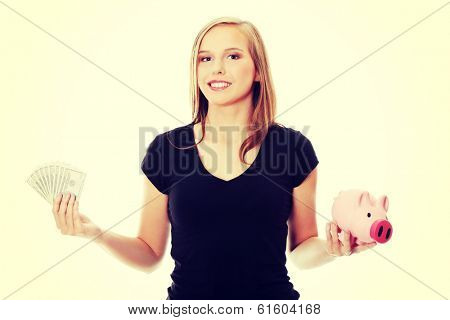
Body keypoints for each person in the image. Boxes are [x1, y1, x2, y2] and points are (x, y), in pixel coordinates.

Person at [52, 17, 376, 300]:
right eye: (205, 58)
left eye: (232, 56)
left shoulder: (293, 148)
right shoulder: (167, 150)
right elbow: (150, 254)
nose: (216, 68)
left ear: (259, 70)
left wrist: (333, 248)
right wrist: (94, 232)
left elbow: (303, 249)